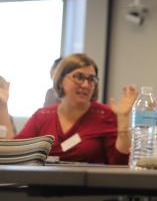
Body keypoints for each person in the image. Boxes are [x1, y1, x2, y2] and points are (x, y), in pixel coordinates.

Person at [0, 53, 138, 164]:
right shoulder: (43, 116)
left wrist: (123, 118)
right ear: (60, 80)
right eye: (79, 77)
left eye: (91, 79)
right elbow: (15, 154)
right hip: (43, 191)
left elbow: (120, 162)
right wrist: (2, 106)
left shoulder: (105, 115)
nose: (85, 84)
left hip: (91, 194)